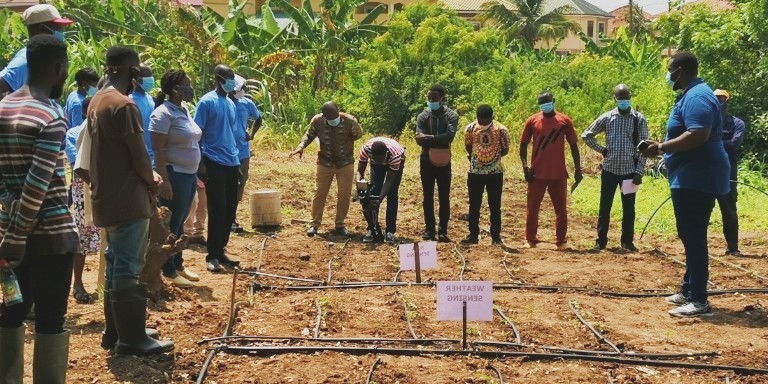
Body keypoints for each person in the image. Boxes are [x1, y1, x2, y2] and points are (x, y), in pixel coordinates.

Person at [0, 34, 79, 384]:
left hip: (5, 235)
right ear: (59, 69)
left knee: (11, 312)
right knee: (50, 319)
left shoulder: (2, 107)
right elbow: (39, 182)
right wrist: (19, 235)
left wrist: (8, 224)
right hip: (48, 237)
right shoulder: (51, 115)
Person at [85, 45, 173, 354]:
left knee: (114, 264)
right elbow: (138, 155)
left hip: (107, 197)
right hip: (129, 198)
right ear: (130, 71)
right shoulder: (125, 106)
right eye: (138, 71)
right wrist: (153, 179)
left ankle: (116, 331)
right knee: (128, 267)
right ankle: (131, 339)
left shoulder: (97, 100)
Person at [640, 52, 730, 317]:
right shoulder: (692, 94)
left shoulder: (698, 96)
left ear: (680, 70)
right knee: (689, 234)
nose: (668, 75)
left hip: (699, 176)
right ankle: (689, 289)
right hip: (689, 175)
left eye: (670, 70)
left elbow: (698, 134)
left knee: (694, 236)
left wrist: (660, 148)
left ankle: (699, 300)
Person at [582, 84, 649, 252]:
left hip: (629, 171)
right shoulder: (607, 117)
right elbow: (586, 135)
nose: (624, 101)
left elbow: (644, 148)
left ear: (630, 97)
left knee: (629, 208)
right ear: (615, 99)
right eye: (620, 99)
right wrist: (602, 150)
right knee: (605, 206)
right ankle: (601, 241)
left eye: (626, 98)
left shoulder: (638, 119)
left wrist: (639, 171)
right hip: (610, 169)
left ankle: (627, 241)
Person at [150, 70, 202, 288]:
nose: (190, 88)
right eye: (186, 84)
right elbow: (158, 149)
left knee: (180, 221)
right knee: (171, 224)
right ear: (174, 89)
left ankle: (178, 263)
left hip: (188, 175)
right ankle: (168, 268)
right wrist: (165, 180)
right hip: (174, 173)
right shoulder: (162, 114)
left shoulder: (185, 110)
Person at [519, 91, 582, 250]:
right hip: (537, 174)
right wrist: (526, 168)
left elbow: (574, 145)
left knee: (561, 209)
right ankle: (530, 239)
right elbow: (523, 145)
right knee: (532, 208)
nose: (545, 105)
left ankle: (561, 241)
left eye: (547, 102)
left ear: (553, 101)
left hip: (558, 173)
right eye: (542, 103)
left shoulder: (564, 121)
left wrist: (577, 169)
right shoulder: (532, 121)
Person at [291, 102, 362, 237]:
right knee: (319, 193)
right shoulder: (317, 121)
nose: (332, 119)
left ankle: (340, 224)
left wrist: (356, 127)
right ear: (324, 116)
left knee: (344, 195)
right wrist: (301, 147)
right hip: (325, 162)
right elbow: (309, 135)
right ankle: (314, 224)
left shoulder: (349, 121)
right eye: (329, 117)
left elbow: (358, 135)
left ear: (338, 111)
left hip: (345, 162)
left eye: (334, 116)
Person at [195, 64, 241, 273]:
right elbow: (197, 134)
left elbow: (230, 135)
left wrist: (237, 162)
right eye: (228, 77)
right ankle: (212, 254)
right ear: (218, 79)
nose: (232, 81)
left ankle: (221, 249)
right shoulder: (207, 102)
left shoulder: (230, 103)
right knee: (217, 208)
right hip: (213, 161)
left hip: (231, 161)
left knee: (230, 209)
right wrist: (201, 164)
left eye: (233, 77)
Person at [65, 98, 100, 304]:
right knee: (82, 236)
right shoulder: (79, 130)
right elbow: (78, 164)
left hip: (100, 184)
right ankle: (77, 283)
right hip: (85, 187)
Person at [0, 4, 73, 98]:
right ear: (43, 29)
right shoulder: (26, 59)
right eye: (58, 27)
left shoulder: (40, 56)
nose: (62, 32)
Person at [461, 105, 509, 245]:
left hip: (495, 173)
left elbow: (505, 149)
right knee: (474, 205)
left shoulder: (501, 130)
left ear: (491, 117)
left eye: (485, 120)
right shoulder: (470, 128)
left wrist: (492, 159)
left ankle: (496, 237)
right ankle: (473, 235)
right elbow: (468, 146)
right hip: (475, 172)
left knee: (495, 205)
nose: (482, 123)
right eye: (480, 120)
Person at [415, 84, 458, 242]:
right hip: (426, 159)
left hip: (443, 159)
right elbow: (418, 140)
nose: (431, 101)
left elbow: (450, 137)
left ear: (442, 98)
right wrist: (435, 138)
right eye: (429, 98)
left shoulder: (451, 115)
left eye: (434, 98)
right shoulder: (423, 116)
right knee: (427, 195)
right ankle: (429, 229)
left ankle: (443, 230)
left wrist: (428, 138)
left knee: (444, 195)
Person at [713, 89, 746, 256]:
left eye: (721, 100)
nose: (718, 103)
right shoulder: (706, 123)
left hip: (727, 174)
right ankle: (695, 247)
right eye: (715, 100)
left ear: (727, 102)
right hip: (707, 173)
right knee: (700, 210)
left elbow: (734, 143)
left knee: (729, 210)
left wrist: (711, 142)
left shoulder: (737, 123)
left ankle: (732, 247)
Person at [356, 137, 406, 244]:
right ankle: (372, 228)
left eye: (380, 160)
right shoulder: (366, 150)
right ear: (371, 155)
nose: (379, 162)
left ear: (385, 154)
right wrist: (360, 186)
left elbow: (388, 182)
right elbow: (360, 171)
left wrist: (379, 199)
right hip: (379, 156)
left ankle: (390, 231)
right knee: (374, 190)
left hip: (396, 158)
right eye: (375, 159)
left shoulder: (395, 156)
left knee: (392, 193)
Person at [230, 75, 262, 233]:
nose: (241, 91)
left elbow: (259, 118)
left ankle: (232, 217)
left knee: (239, 184)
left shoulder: (246, 103)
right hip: (224, 151)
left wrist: (251, 134)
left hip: (242, 151)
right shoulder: (220, 103)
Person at [130, 63, 156, 163]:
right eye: (146, 76)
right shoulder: (130, 101)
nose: (150, 79)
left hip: (153, 153)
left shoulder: (149, 98)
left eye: (150, 75)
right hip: (141, 155)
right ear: (136, 80)